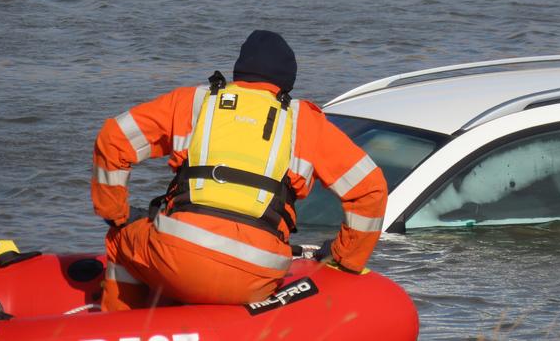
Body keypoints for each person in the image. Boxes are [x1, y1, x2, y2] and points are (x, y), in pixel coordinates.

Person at [91, 30, 388, 311]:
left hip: (177, 256)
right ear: (286, 85)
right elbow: (370, 189)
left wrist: (116, 213)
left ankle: (121, 324)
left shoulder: (193, 102)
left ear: (238, 73)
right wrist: (346, 258)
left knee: (120, 236)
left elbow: (114, 137)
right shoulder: (305, 122)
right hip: (258, 274)